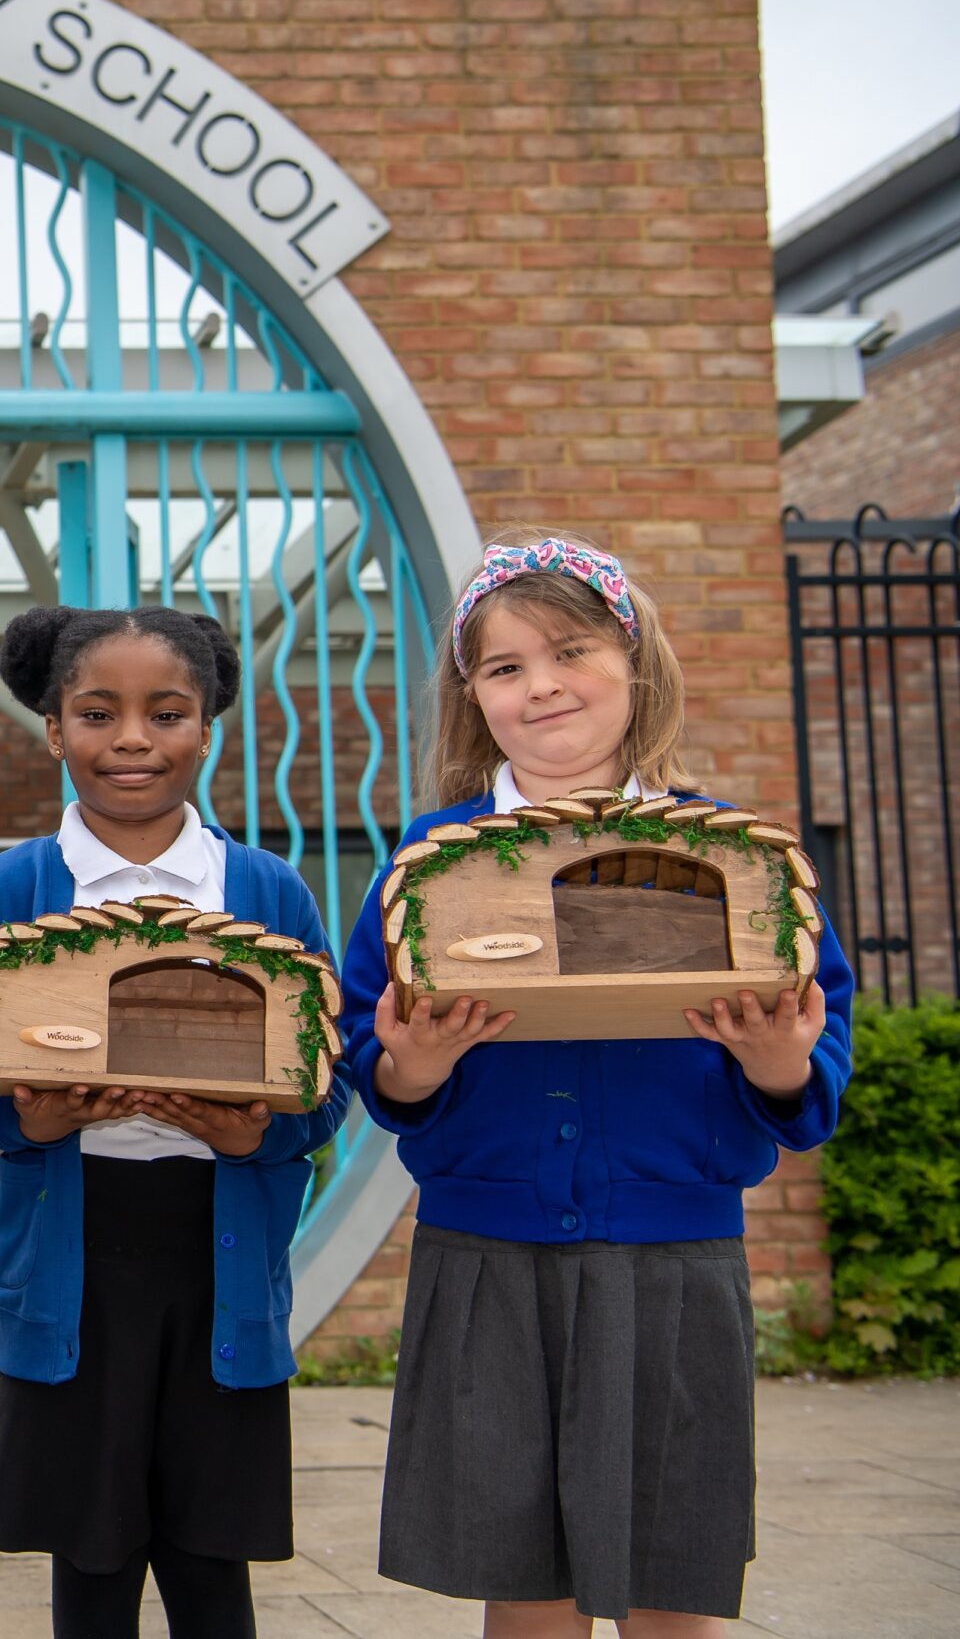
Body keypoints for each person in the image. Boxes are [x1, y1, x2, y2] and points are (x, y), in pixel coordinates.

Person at [340, 532, 856, 1637]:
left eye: (568, 651)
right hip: (488, 1259)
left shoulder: (739, 859)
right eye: (504, 667)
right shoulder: (427, 869)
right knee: (525, 1589)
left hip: (674, 1261)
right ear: (472, 695)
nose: (542, 687)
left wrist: (780, 1067)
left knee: (675, 1583)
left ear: (634, 662)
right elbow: (365, 1047)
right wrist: (410, 1069)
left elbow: (817, 1046)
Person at [0, 604, 350, 1639]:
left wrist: (257, 1136)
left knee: (213, 1565)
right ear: (52, 729)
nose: (130, 740)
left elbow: (329, 1082)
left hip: (218, 1261)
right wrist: (28, 1115)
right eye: (96, 713)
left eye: (165, 714)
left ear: (205, 726)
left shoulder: (265, 892)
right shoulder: (7, 894)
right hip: (73, 1268)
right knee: (91, 1559)